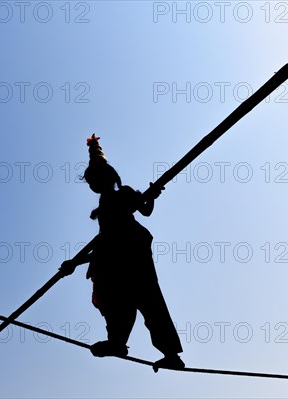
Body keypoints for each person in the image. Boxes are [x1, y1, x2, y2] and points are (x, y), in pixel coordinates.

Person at [59, 134, 184, 370]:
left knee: (149, 302)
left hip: (133, 253)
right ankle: (117, 343)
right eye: (92, 181)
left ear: (111, 178)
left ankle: (170, 354)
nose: (95, 183)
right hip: (113, 256)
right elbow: (104, 243)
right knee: (118, 302)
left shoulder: (123, 194)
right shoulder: (103, 209)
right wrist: (74, 263)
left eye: (98, 178)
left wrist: (153, 194)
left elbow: (144, 210)